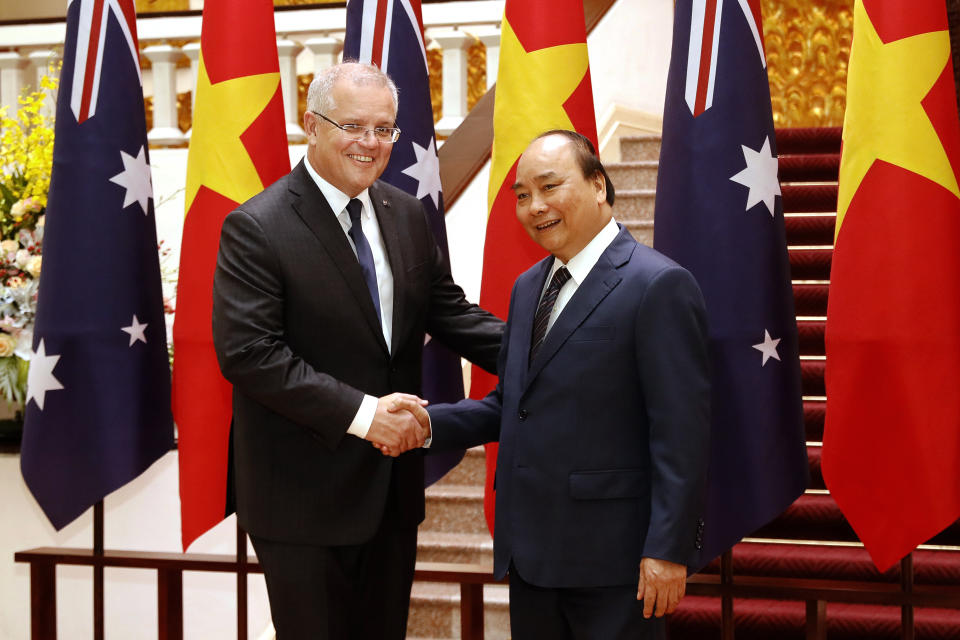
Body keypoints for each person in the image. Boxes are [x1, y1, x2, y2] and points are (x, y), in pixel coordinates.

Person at [211, 61, 504, 639]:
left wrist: (555, 352)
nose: (370, 144)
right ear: (310, 126)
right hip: (301, 498)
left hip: (390, 494)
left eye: (384, 129)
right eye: (353, 126)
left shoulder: (407, 213)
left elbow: (449, 312)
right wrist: (368, 416)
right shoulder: (256, 226)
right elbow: (251, 354)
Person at [393, 130, 711, 639]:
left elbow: (682, 433)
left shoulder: (658, 285)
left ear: (600, 186)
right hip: (533, 556)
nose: (534, 207)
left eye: (549, 187)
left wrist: (667, 550)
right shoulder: (529, 286)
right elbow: (513, 404)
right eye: (522, 195)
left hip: (616, 564)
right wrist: (424, 423)